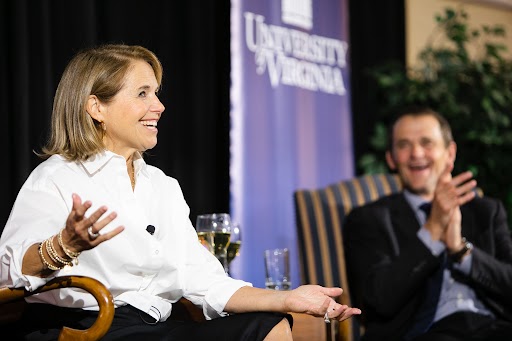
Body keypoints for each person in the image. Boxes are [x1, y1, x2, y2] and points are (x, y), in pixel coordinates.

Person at [0, 44, 361, 340]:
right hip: (88, 329)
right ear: (97, 107)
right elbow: (7, 276)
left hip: (155, 327)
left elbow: (204, 281)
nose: (158, 106)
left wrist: (289, 299)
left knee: (269, 325)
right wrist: (64, 246)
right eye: (143, 93)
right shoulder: (58, 176)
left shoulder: (163, 186)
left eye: (156, 93)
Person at [343, 106, 512, 341]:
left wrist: (460, 251)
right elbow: (378, 301)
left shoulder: (486, 211)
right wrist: (432, 229)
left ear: (450, 153)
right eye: (403, 145)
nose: (416, 153)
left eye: (427, 142)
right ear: (391, 158)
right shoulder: (368, 220)